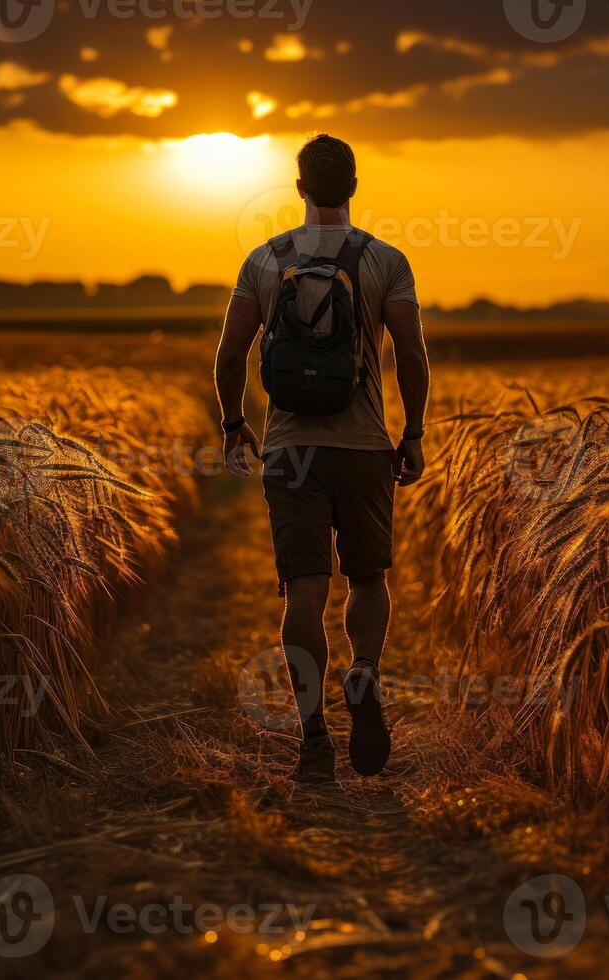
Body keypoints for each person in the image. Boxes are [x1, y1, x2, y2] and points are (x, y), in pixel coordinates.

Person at [213, 134, 431, 785]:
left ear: (300, 187)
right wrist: (413, 430)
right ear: (354, 187)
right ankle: (362, 670)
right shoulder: (384, 260)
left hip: (290, 450)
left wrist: (233, 425)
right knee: (367, 578)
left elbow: (229, 356)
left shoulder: (264, 258)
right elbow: (412, 355)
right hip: (364, 447)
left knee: (303, 590)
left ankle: (313, 741)